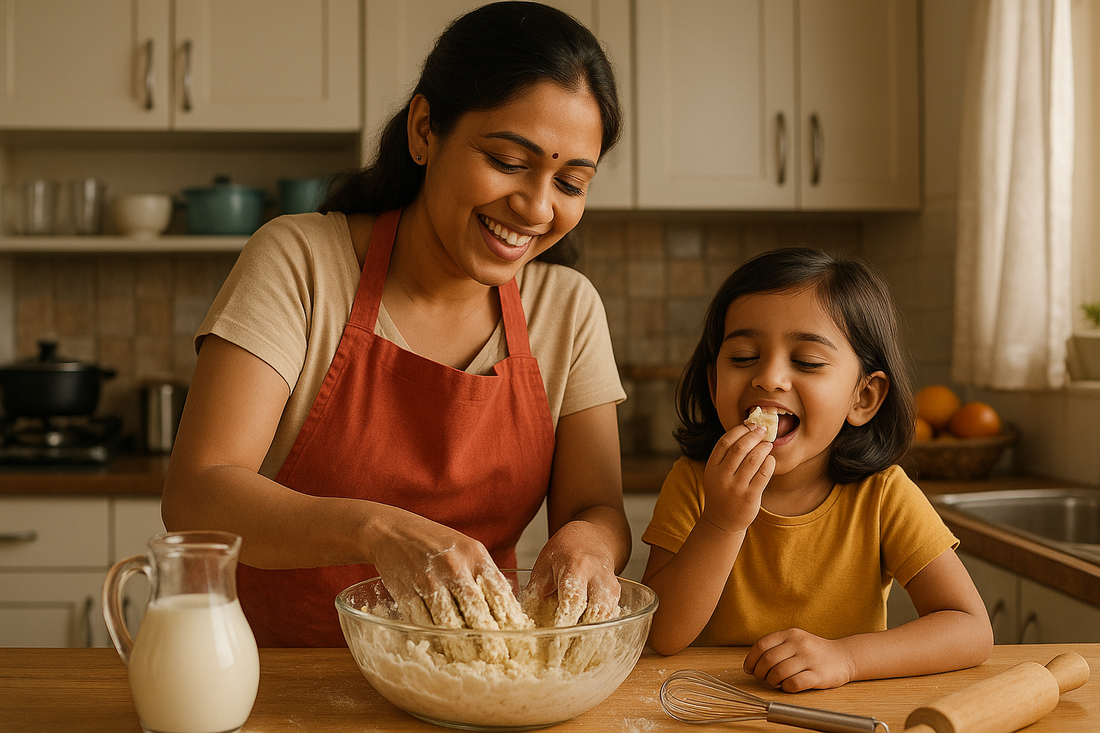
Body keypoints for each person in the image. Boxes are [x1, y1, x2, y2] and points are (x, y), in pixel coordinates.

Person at [161, 1, 632, 647]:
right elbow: (198, 495)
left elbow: (597, 509)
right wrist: (377, 532)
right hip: (280, 676)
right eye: (508, 160)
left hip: (478, 680)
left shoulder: (569, 309)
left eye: (571, 181)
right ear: (423, 130)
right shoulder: (301, 261)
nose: (536, 206)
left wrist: (588, 541)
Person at [641, 247, 993, 691]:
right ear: (713, 384)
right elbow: (663, 634)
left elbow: (971, 629)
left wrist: (846, 658)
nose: (769, 378)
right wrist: (721, 521)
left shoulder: (883, 495)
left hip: (845, 709)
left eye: (807, 362)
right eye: (743, 356)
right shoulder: (694, 482)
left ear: (862, 397)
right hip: (719, 705)